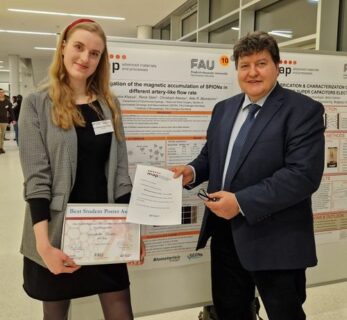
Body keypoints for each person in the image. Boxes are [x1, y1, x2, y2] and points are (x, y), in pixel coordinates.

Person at [172, 31, 325, 320]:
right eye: (245, 65)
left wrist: (241, 202)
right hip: (226, 235)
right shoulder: (224, 109)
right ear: (237, 69)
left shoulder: (303, 111)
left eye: (261, 63)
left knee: (285, 314)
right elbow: (212, 156)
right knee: (231, 312)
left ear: (278, 66)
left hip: (276, 238)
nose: (252, 72)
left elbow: (302, 176)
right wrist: (191, 171)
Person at [18, 19, 145, 320]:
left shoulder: (108, 106)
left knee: (120, 312)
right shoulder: (36, 104)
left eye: (95, 53)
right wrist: (43, 245)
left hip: (106, 228)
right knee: (56, 314)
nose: (85, 58)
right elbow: (37, 179)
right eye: (79, 47)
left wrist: (132, 233)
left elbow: (120, 176)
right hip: (57, 231)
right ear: (63, 47)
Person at [0, 88, 14, 153]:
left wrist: (13, 119)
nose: (1, 93)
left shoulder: (7, 102)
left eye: (2, 92)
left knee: (2, 135)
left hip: (4, 121)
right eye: (0, 92)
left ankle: (1, 148)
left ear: (4, 93)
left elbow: (11, 111)